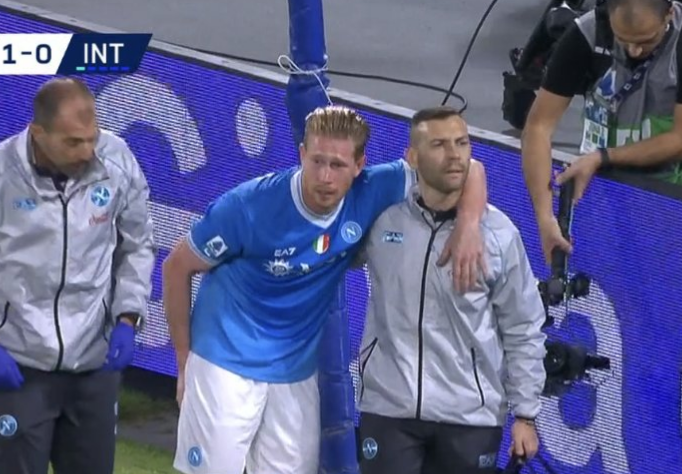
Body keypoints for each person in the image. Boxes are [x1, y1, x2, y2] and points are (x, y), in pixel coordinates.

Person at [162, 104, 489, 474]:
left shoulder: (375, 189)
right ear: (302, 154)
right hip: (224, 360)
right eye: (316, 161)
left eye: (337, 165)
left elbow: (469, 168)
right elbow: (176, 267)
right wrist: (184, 361)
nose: (325, 177)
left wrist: (469, 224)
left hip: (295, 369)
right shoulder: (248, 206)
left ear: (359, 165)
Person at [356, 106, 547, 474]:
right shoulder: (383, 221)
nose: (455, 154)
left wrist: (526, 414)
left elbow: (523, 326)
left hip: (470, 418)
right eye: (439, 145)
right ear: (412, 157)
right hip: (389, 408)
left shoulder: (500, 234)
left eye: (462, 143)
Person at [0, 77, 155, 474]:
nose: (87, 152)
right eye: (73, 142)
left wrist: (128, 317)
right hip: (19, 367)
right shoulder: (3, 174)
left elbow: (137, 245)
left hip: (94, 366)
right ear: (38, 133)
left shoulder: (117, 162)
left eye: (92, 137)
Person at [522, 0, 682, 262]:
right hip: (601, 191)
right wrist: (544, 217)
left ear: (669, 14)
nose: (634, 50)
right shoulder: (586, 34)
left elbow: (680, 138)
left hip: (670, 194)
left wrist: (603, 156)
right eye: (623, 38)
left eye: (646, 40)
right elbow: (538, 127)